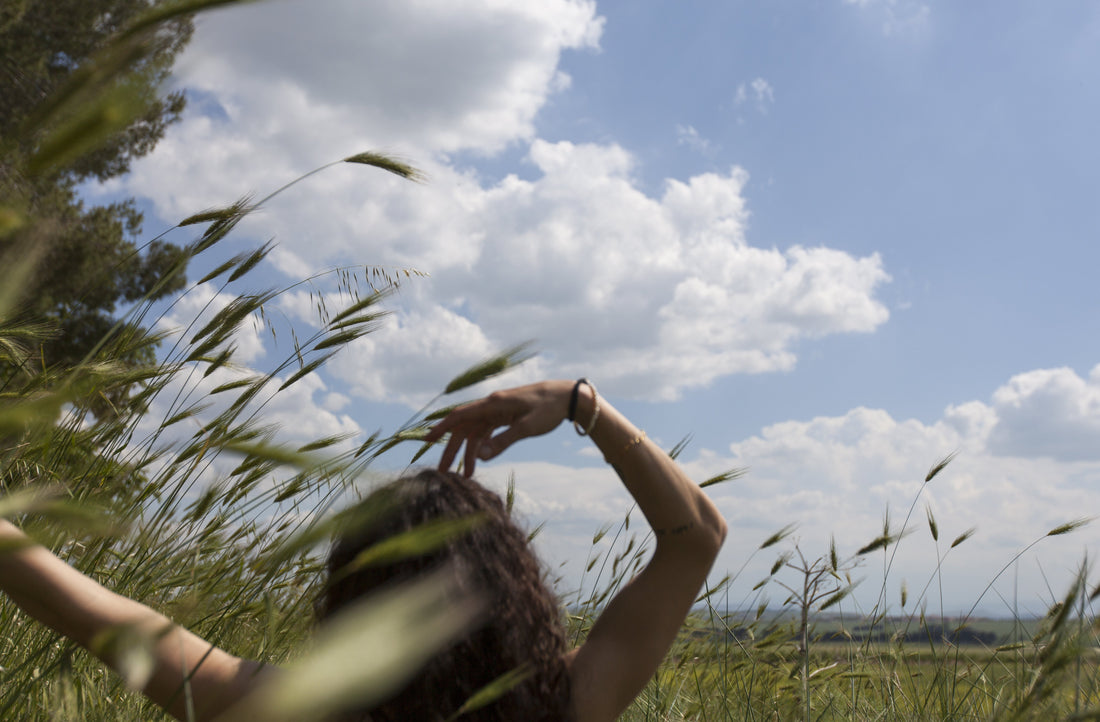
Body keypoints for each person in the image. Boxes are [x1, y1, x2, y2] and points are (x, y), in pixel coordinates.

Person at [0, 379, 727, 721]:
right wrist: (580, 404)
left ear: (350, 590)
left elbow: (53, 591)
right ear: (517, 593)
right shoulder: (565, 703)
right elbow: (696, 536)